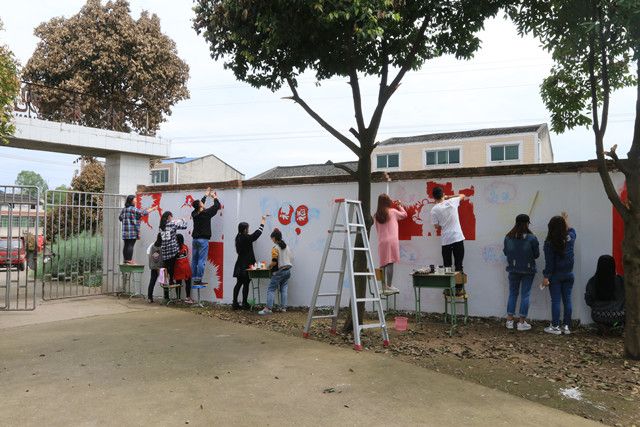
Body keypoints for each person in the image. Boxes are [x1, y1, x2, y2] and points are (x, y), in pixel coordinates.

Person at [503, 214, 540, 331]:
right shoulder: (532, 238)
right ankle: (521, 322)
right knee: (525, 294)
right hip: (528, 270)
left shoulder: (508, 237)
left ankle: (509, 320)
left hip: (513, 269)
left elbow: (506, 252)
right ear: (527, 223)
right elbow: (536, 254)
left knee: (513, 293)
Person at [542, 212, 577, 335]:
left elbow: (549, 264)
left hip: (556, 276)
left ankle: (555, 326)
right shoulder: (571, 238)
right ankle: (566, 327)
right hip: (569, 275)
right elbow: (572, 230)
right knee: (567, 300)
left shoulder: (549, 244)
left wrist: (546, 277)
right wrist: (565, 220)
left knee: (556, 301)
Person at [374, 194, 407, 295]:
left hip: (382, 241)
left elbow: (377, 229)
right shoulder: (392, 212)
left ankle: (383, 286)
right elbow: (404, 215)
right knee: (390, 262)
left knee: (383, 263)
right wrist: (400, 205)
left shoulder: (376, 215)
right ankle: (389, 285)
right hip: (392, 240)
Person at [232, 216, 266, 310]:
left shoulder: (238, 237)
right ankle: (244, 303)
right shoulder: (246, 238)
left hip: (239, 263)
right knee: (246, 283)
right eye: (247, 228)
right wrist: (262, 222)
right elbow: (257, 234)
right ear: (245, 229)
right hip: (246, 264)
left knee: (238, 283)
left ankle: (234, 303)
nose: (248, 229)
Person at [430, 187, 466, 272]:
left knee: (447, 267)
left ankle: (449, 285)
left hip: (446, 240)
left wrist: (443, 224)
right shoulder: (452, 202)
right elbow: (463, 195)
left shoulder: (434, 210)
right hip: (457, 237)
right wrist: (449, 196)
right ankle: (459, 285)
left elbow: (436, 226)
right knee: (459, 265)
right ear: (443, 194)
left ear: (434, 197)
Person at [191, 188, 221, 286]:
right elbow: (217, 206)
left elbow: (198, 206)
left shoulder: (194, 214)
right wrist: (214, 197)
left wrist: (205, 195)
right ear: (200, 206)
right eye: (201, 202)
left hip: (195, 240)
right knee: (201, 260)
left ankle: (194, 277)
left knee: (194, 259)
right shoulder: (206, 213)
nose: (202, 203)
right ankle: (198, 279)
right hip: (203, 240)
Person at [259, 228, 293, 315]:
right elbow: (291, 258)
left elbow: (274, 262)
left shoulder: (275, 248)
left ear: (274, 238)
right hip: (288, 271)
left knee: (271, 289)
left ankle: (268, 308)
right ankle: (283, 308)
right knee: (284, 289)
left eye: (272, 238)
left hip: (280, 271)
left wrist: (268, 267)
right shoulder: (287, 247)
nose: (272, 240)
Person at [585, 255, 625, 327]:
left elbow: (588, 300)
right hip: (619, 315)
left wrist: (597, 306)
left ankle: (603, 325)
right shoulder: (620, 280)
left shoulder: (592, 281)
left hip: (598, 316)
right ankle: (616, 325)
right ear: (613, 266)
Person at [119, 195, 157, 264]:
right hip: (132, 230)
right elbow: (143, 213)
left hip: (125, 230)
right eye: (135, 200)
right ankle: (129, 260)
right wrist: (152, 209)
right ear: (131, 201)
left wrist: (127, 220)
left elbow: (120, 218)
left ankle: (126, 259)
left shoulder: (124, 209)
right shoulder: (133, 209)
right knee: (131, 245)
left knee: (126, 245)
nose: (136, 201)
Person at [159, 211, 188, 296]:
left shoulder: (161, 226)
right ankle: (171, 280)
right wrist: (184, 220)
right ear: (169, 216)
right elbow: (184, 227)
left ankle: (166, 288)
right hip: (172, 249)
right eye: (171, 216)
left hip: (165, 249)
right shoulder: (172, 224)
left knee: (167, 267)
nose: (172, 218)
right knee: (172, 266)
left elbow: (165, 238)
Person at [146, 233, 167, 303]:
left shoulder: (153, 245)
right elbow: (157, 257)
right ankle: (166, 297)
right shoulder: (161, 246)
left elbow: (153, 257)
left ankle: (149, 297)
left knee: (152, 281)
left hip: (154, 267)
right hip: (160, 267)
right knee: (164, 281)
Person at [174, 233, 193, 303]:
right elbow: (187, 253)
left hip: (178, 267)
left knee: (178, 283)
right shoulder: (185, 247)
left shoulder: (174, 249)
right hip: (186, 267)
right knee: (188, 283)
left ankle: (178, 298)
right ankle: (188, 297)